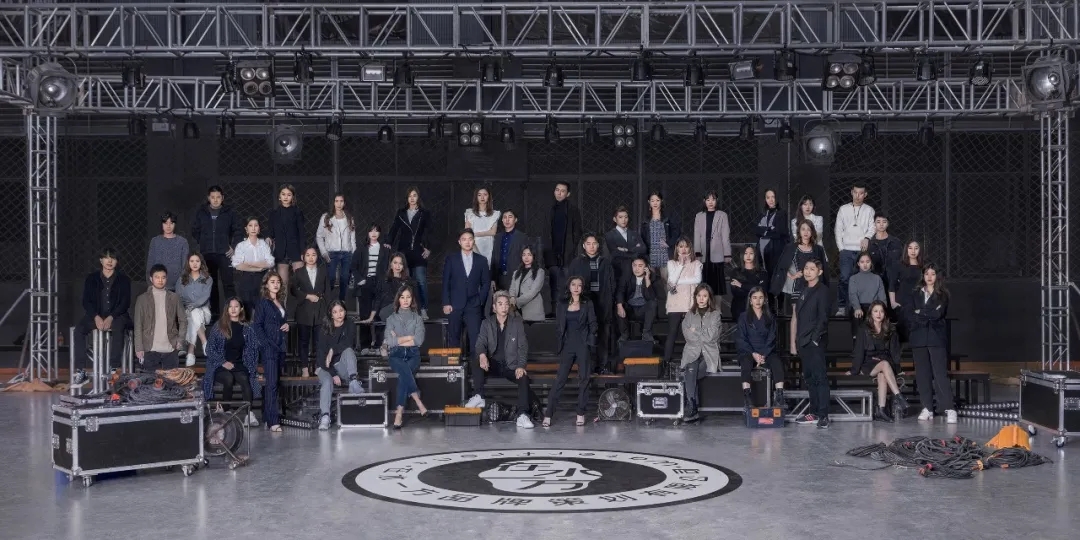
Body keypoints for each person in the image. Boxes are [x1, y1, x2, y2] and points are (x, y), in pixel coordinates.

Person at [465, 291, 539, 429]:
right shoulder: (487, 323)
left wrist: (521, 365)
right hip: (493, 364)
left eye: (506, 304)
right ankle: (479, 396)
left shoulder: (516, 323)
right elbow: (480, 343)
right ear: (494, 307)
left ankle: (522, 415)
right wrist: (482, 355)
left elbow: (523, 347)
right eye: (500, 304)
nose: (504, 307)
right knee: (476, 360)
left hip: (511, 366)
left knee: (523, 377)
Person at [72, 248, 132, 384]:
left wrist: (111, 317)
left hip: (117, 315)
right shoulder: (91, 278)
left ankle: (113, 369)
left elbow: (125, 303)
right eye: (106, 258)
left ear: (117, 261)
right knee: (79, 330)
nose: (109, 261)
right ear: (101, 260)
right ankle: (81, 370)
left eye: (113, 258)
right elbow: (86, 301)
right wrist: (96, 316)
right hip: (96, 315)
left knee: (119, 326)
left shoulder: (124, 279)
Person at [543, 276, 596, 428]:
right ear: (569, 286)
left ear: (582, 288)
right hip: (568, 345)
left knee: (584, 379)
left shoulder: (587, 303)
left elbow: (593, 324)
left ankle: (580, 413)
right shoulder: (562, 304)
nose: (576, 287)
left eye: (579, 285)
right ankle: (548, 414)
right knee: (560, 379)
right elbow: (559, 326)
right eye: (573, 284)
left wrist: (589, 341)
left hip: (583, 345)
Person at [202, 297, 261, 427]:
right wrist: (223, 362)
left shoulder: (247, 328)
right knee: (228, 378)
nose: (233, 309)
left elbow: (253, 350)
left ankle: (249, 415)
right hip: (220, 365)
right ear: (227, 309)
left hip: (239, 364)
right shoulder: (219, 326)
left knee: (245, 379)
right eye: (230, 307)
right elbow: (209, 349)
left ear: (241, 309)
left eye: (236, 306)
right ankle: (226, 411)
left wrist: (252, 369)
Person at [908, 263, 955, 424]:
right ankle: (927, 407)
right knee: (923, 374)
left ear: (937, 276)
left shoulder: (943, 294)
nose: (929, 277)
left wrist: (921, 312)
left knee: (940, 373)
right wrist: (926, 313)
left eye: (932, 274)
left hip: (936, 337)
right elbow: (910, 314)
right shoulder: (915, 293)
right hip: (919, 337)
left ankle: (949, 408)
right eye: (926, 273)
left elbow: (938, 314)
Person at [848, 300, 905, 422]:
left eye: (881, 311)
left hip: (885, 362)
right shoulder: (863, 328)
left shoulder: (890, 329)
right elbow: (858, 351)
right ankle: (899, 396)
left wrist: (898, 369)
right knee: (884, 365)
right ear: (871, 313)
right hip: (869, 363)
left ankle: (881, 410)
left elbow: (894, 351)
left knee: (883, 374)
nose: (878, 314)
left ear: (885, 314)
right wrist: (854, 370)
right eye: (875, 311)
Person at [567, 233, 616, 373]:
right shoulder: (576, 263)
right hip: (585, 302)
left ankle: (602, 365)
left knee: (603, 334)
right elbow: (569, 283)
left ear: (598, 245)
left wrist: (611, 301)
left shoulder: (605, 262)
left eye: (594, 243)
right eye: (588, 244)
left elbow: (612, 284)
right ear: (583, 246)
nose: (591, 246)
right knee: (585, 335)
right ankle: (587, 366)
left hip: (603, 302)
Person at [791, 258, 831, 428]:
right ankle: (813, 413)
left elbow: (823, 318)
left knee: (820, 377)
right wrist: (795, 342)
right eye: (806, 268)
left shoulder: (823, 291)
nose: (808, 271)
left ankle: (823, 415)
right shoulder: (802, 289)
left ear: (819, 272)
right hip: (802, 341)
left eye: (812, 269)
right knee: (809, 378)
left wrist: (814, 339)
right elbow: (796, 317)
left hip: (815, 341)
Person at [192, 186, 242, 320]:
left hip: (224, 254)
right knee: (211, 284)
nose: (215, 200)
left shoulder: (229, 212)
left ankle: (232, 314)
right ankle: (214, 315)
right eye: (213, 197)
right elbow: (195, 230)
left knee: (228, 284)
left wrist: (233, 247)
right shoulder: (202, 212)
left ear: (222, 198)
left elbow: (238, 230)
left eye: (218, 197)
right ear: (208, 198)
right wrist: (204, 242)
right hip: (207, 254)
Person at [383, 285, 429, 429]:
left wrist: (399, 338)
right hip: (395, 354)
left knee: (403, 376)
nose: (405, 300)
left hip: (413, 354)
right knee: (405, 372)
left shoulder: (418, 318)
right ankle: (418, 401)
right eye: (402, 297)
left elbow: (419, 340)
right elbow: (389, 342)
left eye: (408, 297)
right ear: (398, 299)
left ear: (412, 299)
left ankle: (399, 413)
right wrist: (409, 337)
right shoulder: (391, 319)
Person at [315, 300, 363, 431]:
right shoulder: (324, 328)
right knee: (327, 382)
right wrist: (333, 374)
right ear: (331, 314)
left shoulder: (349, 324)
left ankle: (353, 381)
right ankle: (325, 416)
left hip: (341, 365)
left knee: (348, 351)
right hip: (325, 367)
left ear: (345, 311)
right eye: (335, 312)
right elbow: (320, 357)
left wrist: (332, 350)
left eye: (341, 310)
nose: (339, 314)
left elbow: (348, 343)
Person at [735, 287, 786, 409]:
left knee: (777, 362)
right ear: (750, 300)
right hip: (748, 351)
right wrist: (753, 353)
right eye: (755, 298)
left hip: (766, 351)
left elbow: (772, 337)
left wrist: (763, 355)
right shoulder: (743, 317)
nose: (758, 301)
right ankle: (747, 397)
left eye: (760, 298)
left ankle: (779, 396)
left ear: (765, 300)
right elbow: (741, 338)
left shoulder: (770, 317)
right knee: (746, 364)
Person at [387, 187, 433, 320]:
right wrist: (388, 242)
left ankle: (423, 309)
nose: (412, 198)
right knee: (406, 282)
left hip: (419, 252)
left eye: (414, 195)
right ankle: (410, 310)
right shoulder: (401, 213)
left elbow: (430, 231)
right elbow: (394, 228)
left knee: (421, 281)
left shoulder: (424, 213)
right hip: (404, 253)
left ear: (418, 197)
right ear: (407, 198)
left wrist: (428, 248)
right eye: (410, 196)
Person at [442, 229, 490, 355]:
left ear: (474, 241)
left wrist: (480, 300)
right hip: (454, 305)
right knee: (454, 339)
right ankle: (454, 367)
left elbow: (486, 283)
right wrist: (446, 303)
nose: (467, 242)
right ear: (459, 242)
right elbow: (446, 282)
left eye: (470, 239)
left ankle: (476, 367)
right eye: (464, 239)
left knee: (476, 340)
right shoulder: (451, 259)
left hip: (473, 305)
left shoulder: (482, 260)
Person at [252, 272, 289, 432]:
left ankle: (268, 417)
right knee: (272, 384)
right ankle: (274, 421)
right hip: (269, 348)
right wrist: (266, 344)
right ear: (266, 284)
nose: (276, 284)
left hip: (281, 347)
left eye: (278, 282)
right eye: (272, 281)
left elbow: (281, 322)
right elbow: (257, 326)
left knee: (275, 384)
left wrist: (286, 325)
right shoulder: (263, 303)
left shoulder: (280, 302)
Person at [680, 284, 722, 423]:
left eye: (704, 296)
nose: (701, 298)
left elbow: (712, 337)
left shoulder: (715, 315)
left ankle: (691, 406)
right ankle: (693, 407)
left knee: (690, 374)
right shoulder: (689, 315)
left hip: (709, 354)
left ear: (709, 298)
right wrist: (702, 332)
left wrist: (695, 330)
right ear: (695, 297)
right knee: (691, 368)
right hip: (692, 353)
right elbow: (687, 336)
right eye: (699, 296)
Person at [133, 264, 187, 372]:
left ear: (167, 278)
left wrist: (180, 340)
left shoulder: (174, 297)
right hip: (150, 348)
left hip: (171, 348)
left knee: (171, 381)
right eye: (157, 277)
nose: (160, 280)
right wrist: (139, 347)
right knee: (150, 381)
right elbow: (138, 324)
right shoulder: (142, 299)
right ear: (151, 279)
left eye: (163, 277)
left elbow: (183, 320)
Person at [833, 182, 876, 316]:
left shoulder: (869, 210)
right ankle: (841, 307)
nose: (858, 196)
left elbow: (872, 227)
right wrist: (841, 248)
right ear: (852, 192)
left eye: (861, 193)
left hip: (862, 251)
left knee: (861, 279)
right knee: (844, 278)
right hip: (846, 250)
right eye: (855, 192)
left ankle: (858, 307)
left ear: (865, 194)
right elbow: (838, 229)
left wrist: (867, 238)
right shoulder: (843, 209)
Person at [540, 181, 582, 310]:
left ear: (568, 194)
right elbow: (545, 231)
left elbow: (577, 231)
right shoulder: (549, 209)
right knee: (553, 283)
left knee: (567, 283)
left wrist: (572, 247)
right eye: (557, 190)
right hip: (552, 252)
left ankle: (566, 310)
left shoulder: (573, 210)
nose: (559, 193)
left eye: (562, 191)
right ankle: (554, 310)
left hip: (567, 253)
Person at [290, 247, 330, 377]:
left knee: (320, 341)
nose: (311, 257)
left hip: (320, 309)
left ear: (317, 256)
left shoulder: (323, 271)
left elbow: (328, 291)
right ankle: (304, 368)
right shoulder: (298, 272)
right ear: (303, 257)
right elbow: (293, 290)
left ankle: (319, 366)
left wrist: (327, 309)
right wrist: (307, 296)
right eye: (308, 255)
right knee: (303, 341)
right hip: (304, 309)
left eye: (313, 255)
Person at [663, 237, 702, 364]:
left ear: (690, 248)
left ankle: (693, 361)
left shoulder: (696, 263)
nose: (683, 249)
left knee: (692, 334)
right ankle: (666, 361)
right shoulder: (671, 263)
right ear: (677, 249)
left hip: (691, 303)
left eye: (686, 246)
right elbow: (672, 280)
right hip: (675, 303)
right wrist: (680, 265)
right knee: (672, 332)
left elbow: (697, 279)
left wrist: (677, 282)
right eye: (681, 246)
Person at [315, 193, 356, 301]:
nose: (339, 204)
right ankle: (327, 301)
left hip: (347, 252)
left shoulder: (349, 218)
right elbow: (319, 236)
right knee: (331, 278)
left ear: (344, 203)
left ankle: (342, 300)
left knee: (344, 278)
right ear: (333, 203)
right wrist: (324, 252)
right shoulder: (326, 217)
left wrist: (354, 253)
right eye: (337, 201)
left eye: (341, 201)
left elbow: (352, 238)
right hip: (332, 252)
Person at [175, 253, 213, 367]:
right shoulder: (182, 279)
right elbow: (179, 296)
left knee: (194, 313)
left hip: (204, 310)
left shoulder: (207, 279)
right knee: (193, 315)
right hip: (187, 311)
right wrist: (188, 307)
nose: (195, 264)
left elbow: (205, 297)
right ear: (188, 263)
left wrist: (193, 305)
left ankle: (191, 351)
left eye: (197, 261)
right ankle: (200, 346)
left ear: (201, 263)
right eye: (192, 261)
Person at [267, 184, 305, 296]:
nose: (286, 197)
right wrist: (268, 237)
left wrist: (303, 251)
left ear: (293, 197)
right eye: (283, 194)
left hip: (296, 251)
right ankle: (283, 307)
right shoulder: (274, 214)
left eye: (289, 194)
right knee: (282, 285)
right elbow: (270, 232)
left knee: (301, 283)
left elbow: (302, 233)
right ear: (279, 196)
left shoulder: (297, 212)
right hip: (281, 252)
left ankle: (300, 307)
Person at [231, 217, 274, 313]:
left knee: (262, 309)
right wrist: (258, 268)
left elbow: (270, 262)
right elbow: (237, 265)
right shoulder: (241, 245)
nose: (253, 228)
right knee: (246, 310)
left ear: (259, 228)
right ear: (246, 229)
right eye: (250, 225)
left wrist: (248, 263)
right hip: (245, 279)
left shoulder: (263, 245)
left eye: (256, 225)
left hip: (262, 279)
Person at [693, 190, 732, 297]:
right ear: (704, 201)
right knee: (704, 283)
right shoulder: (699, 216)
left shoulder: (722, 215)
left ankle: (717, 307)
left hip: (717, 252)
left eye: (713, 199)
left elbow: (725, 236)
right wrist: (697, 253)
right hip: (703, 253)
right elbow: (697, 235)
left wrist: (727, 254)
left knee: (717, 286)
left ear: (717, 200)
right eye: (708, 199)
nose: (710, 202)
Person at [351, 223, 391, 320]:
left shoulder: (385, 249)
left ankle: (378, 330)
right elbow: (353, 266)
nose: (374, 233)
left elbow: (387, 267)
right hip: (365, 282)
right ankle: (365, 329)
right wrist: (360, 279)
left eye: (376, 231)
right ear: (368, 233)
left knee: (378, 315)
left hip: (379, 282)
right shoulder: (361, 249)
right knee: (365, 315)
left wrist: (384, 281)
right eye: (371, 230)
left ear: (379, 233)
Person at [615, 256, 657, 343]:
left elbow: (651, 297)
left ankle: (646, 334)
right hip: (630, 309)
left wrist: (647, 279)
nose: (636, 269)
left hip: (643, 310)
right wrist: (619, 305)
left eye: (640, 266)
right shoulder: (627, 277)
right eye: (634, 265)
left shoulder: (652, 278)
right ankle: (624, 335)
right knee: (618, 305)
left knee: (653, 303)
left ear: (646, 267)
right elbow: (620, 291)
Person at [145, 211, 189, 291]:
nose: (168, 226)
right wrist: (150, 284)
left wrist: (181, 285)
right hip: (157, 286)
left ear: (175, 224)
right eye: (165, 223)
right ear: (162, 224)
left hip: (177, 288)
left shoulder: (182, 242)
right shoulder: (155, 241)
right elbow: (150, 264)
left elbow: (185, 266)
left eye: (171, 223)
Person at [755, 188, 789, 291]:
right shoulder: (762, 214)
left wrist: (764, 231)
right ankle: (769, 301)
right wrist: (770, 229)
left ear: (777, 198)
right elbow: (756, 230)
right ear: (765, 199)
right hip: (763, 251)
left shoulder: (781, 213)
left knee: (777, 278)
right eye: (768, 197)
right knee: (766, 278)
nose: (771, 200)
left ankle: (779, 301)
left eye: (773, 197)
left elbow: (780, 232)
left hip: (776, 250)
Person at [640, 190, 681, 272]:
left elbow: (677, 232)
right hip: (651, 254)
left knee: (666, 277)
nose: (655, 203)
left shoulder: (668, 216)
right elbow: (642, 237)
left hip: (665, 253)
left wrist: (669, 243)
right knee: (651, 277)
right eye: (652, 201)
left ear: (661, 201)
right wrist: (645, 254)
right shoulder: (646, 219)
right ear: (649, 202)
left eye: (657, 200)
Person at [848, 251, 886, 337]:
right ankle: (856, 339)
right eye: (862, 262)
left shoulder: (877, 278)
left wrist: (882, 309)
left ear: (871, 263)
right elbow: (853, 295)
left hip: (874, 307)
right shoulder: (853, 278)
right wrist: (857, 308)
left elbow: (882, 297)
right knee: (857, 314)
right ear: (858, 264)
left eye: (867, 262)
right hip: (859, 307)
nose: (865, 264)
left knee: (878, 313)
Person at [604, 205, 647, 283]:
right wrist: (635, 252)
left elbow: (643, 249)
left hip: (635, 272)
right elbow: (615, 253)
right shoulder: (609, 235)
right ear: (615, 219)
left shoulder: (634, 233)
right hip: (619, 271)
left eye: (626, 217)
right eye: (620, 217)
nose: (624, 220)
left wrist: (627, 249)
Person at [489, 209, 529, 292]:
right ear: (502, 220)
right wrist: (492, 278)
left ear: (515, 220)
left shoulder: (522, 237)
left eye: (510, 217)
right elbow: (494, 258)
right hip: (499, 278)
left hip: (515, 277)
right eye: (505, 217)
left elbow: (526, 258)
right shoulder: (497, 237)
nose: (507, 220)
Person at [728, 245, 768, 324]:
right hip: (739, 308)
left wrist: (741, 285)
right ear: (742, 255)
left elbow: (763, 290)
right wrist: (755, 287)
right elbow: (736, 292)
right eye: (746, 253)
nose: (748, 256)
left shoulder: (762, 272)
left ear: (755, 255)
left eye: (751, 253)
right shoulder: (736, 272)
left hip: (758, 308)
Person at [371, 253, 417, 323]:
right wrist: (371, 317)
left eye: (400, 263)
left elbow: (413, 300)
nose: (397, 266)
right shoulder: (384, 280)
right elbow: (377, 299)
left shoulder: (409, 281)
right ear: (391, 265)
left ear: (403, 266)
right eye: (395, 263)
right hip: (386, 311)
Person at [867, 213, 902, 296]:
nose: (881, 224)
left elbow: (901, 261)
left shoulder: (896, 242)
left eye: (884, 221)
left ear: (888, 224)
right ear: (874, 224)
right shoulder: (869, 244)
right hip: (875, 283)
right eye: (878, 222)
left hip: (893, 282)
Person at [508, 246, 546, 322]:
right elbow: (512, 288)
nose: (526, 257)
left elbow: (532, 292)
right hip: (516, 312)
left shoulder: (540, 272)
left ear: (534, 256)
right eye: (524, 255)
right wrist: (512, 297)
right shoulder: (516, 272)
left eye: (529, 255)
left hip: (532, 312)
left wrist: (516, 302)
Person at [464, 186, 501, 262]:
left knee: (487, 265)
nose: (482, 197)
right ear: (476, 197)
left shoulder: (494, 214)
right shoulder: (470, 213)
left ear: (489, 197)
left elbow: (493, 232)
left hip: (488, 246)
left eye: (485, 194)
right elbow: (467, 232)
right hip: (473, 245)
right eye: (479, 195)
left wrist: (475, 234)